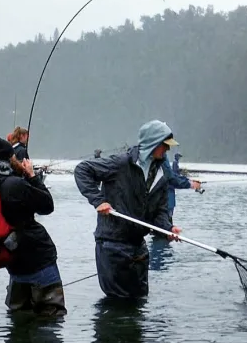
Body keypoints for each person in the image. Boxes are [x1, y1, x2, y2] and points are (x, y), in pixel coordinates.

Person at [73, 119, 182, 299]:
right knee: (119, 306)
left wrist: (168, 229)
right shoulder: (120, 164)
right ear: (153, 143)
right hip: (112, 245)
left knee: (138, 302)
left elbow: (159, 213)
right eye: (165, 145)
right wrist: (98, 200)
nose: (167, 150)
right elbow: (82, 170)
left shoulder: (162, 176)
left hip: (138, 249)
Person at [0, 131, 67, 316]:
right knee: (50, 322)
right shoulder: (14, 185)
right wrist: (31, 176)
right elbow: (47, 205)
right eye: (13, 155)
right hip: (39, 261)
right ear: (7, 158)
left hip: (13, 262)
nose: (17, 158)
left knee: (19, 321)